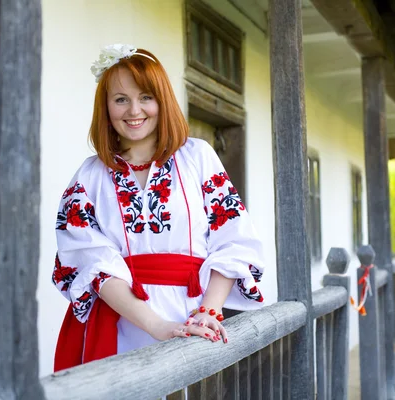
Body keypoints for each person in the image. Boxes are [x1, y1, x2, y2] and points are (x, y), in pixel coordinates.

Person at [52, 44, 265, 372]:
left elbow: (233, 238)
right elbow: (89, 261)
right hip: (119, 325)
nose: (134, 110)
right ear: (106, 108)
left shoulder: (197, 156)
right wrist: (157, 326)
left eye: (145, 97)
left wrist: (208, 313)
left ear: (162, 101)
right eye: (121, 99)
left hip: (195, 318)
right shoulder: (88, 176)